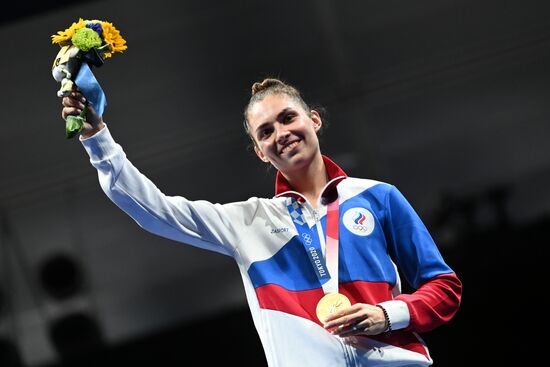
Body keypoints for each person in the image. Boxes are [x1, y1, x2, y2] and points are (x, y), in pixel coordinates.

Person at [61, 78, 462, 366]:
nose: (281, 133)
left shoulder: (378, 197)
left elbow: (444, 288)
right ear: (259, 152)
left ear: (315, 120)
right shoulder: (248, 223)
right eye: (266, 131)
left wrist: (388, 314)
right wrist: (97, 136)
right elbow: (153, 209)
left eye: (288, 118)